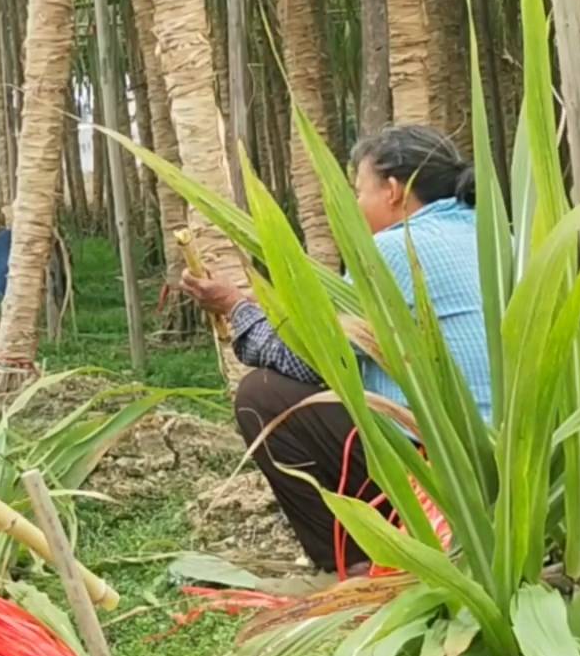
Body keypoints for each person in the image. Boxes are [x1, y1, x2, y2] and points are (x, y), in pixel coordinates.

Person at [178, 125, 489, 572]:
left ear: (394, 191)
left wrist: (236, 308)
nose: (353, 207)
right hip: (505, 458)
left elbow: (310, 360)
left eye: (357, 192)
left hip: (435, 465)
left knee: (262, 395)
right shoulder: (493, 237)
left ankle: (358, 563)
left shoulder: (391, 250)